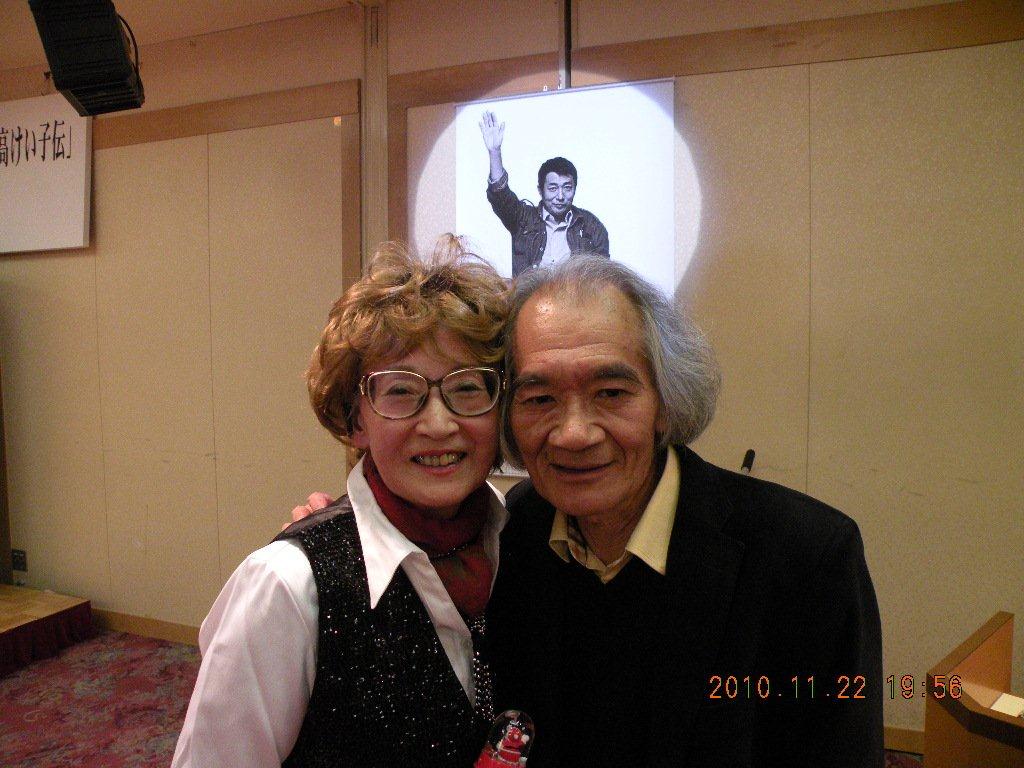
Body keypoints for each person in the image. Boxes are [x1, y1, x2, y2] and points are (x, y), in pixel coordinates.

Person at [289, 255, 884, 766]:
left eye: (611, 393)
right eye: (540, 398)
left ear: (665, 402)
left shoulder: (806, 561)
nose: (574, 433)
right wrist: (332, 544)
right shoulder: (513, 532)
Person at [171, 236, 510, 767]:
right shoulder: (288, 587)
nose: (439, 423)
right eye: (401, 391)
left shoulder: (526, 539)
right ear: (356, 420)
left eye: (467, 388)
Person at [479, 110, 610, 276]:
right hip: (530, 293)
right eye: (553, 188)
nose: (560, 196)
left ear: (575, 188)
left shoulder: (591, 226)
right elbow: (500, 196)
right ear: (540, 190)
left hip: (573, 293)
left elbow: (604, 277)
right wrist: (494, 152)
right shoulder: (523, 219)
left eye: (567, 188)